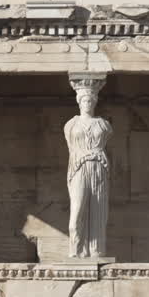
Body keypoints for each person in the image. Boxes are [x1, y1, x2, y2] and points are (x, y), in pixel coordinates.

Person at [65, 80, 112, 258]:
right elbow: (71, 148)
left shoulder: (103, 125)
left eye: (91, 100)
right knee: (77, 210)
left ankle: (96, 251)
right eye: (84, 100)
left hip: (99, 166)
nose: (88, 103)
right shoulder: (71, 125)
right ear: (79, 101)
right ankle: (76, 250)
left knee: (99, 210)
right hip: (79, 166)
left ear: (95, 102)